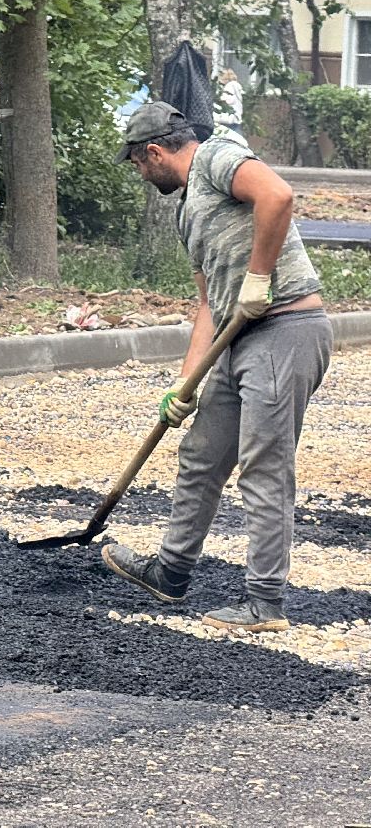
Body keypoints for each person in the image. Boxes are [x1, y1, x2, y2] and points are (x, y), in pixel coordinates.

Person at [101, 101, 331, 633]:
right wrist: (188, 380)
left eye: (138, 164)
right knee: (201, 455)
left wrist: (259, 277)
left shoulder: (217, 157)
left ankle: (265, 602)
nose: (140, 174)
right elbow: (207, 304)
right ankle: (172, 571)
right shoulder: (187, 210)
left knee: (264, 466)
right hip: (237, 338)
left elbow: (278, 195)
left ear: (154, 152)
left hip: (285, 329)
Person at [215, 67, 245, 136]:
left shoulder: (229, 87)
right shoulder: (236, 88)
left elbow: (224, 103)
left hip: (227, 123)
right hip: (235, 122)